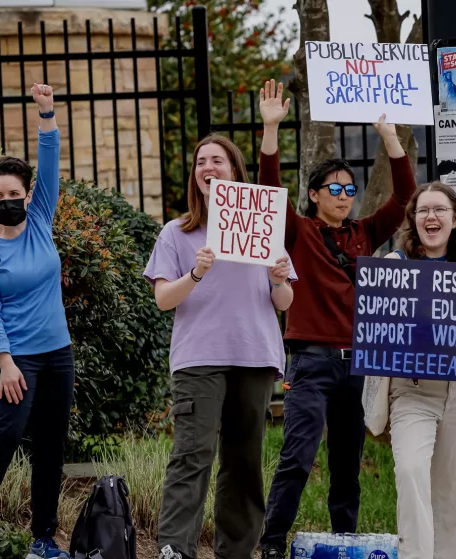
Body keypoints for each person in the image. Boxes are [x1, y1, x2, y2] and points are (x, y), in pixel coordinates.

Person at [254, 80, 417, 559]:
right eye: (336, 189)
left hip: (358, 363)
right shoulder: (298, 231)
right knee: (298, 457)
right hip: (311, 362)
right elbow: (267, 190)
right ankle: (271, 543)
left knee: (347, 465)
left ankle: (345, 541)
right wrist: (270, 129)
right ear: (315, 193)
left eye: (350, 189)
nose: (345, 196)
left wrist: (389, 137)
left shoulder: (365, 233)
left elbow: (405, 196)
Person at [145, 126, 297, 559]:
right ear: (195, 176)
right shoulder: (177, 233)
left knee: (244, 460)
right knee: (192, 454)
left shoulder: (262, 227)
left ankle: (236, 551)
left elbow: (283, 300)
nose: (208, 167)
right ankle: (176, 549)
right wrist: (195, 273)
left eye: (217, 160)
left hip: (255, 355)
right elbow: (161, 300)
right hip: (199, 358)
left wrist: (278, 278)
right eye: (200, 162)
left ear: (234, 170)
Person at [0, 84, 73, 559]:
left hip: (58, 355)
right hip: (16, 360)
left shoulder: (41, 218)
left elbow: (49, 162)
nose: (5, 199)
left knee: (50, 447)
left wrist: (46, 113)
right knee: (3, 440)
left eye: (13, 193)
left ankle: (43, 540)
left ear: (27, 196)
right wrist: (5, 363)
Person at [363, 182, 456, 559]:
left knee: (455, 492)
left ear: (455, 218)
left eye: (439, 210)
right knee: (411, 472)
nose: (431, 217)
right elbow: (376, 332)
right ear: (413, 220)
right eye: (423, 210)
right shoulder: (392, 269)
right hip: (411, 391)